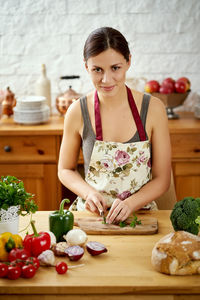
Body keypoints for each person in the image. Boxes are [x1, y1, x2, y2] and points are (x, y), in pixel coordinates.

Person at [58, 27, 171, 224]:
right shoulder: (77, 111)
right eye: (97, 70)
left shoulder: (153, 109)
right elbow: (65, 169)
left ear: (128, 61)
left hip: (141, 215)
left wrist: (131, 203)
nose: (106, 79)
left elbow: (162, 179)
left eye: (115, 68)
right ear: (86, 67)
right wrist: (89, 193)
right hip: (93, 217)